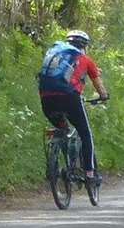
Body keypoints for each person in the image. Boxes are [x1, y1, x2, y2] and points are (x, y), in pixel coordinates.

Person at [38, 30, 110, 181]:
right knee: (85, 133)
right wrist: (103, 96)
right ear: (84, 46)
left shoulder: (54, 55)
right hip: (70, 99)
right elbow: (99, 86)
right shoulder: (85, 59)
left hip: (46, 98)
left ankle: (54, 163)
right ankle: (90, 173)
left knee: (61, 128)